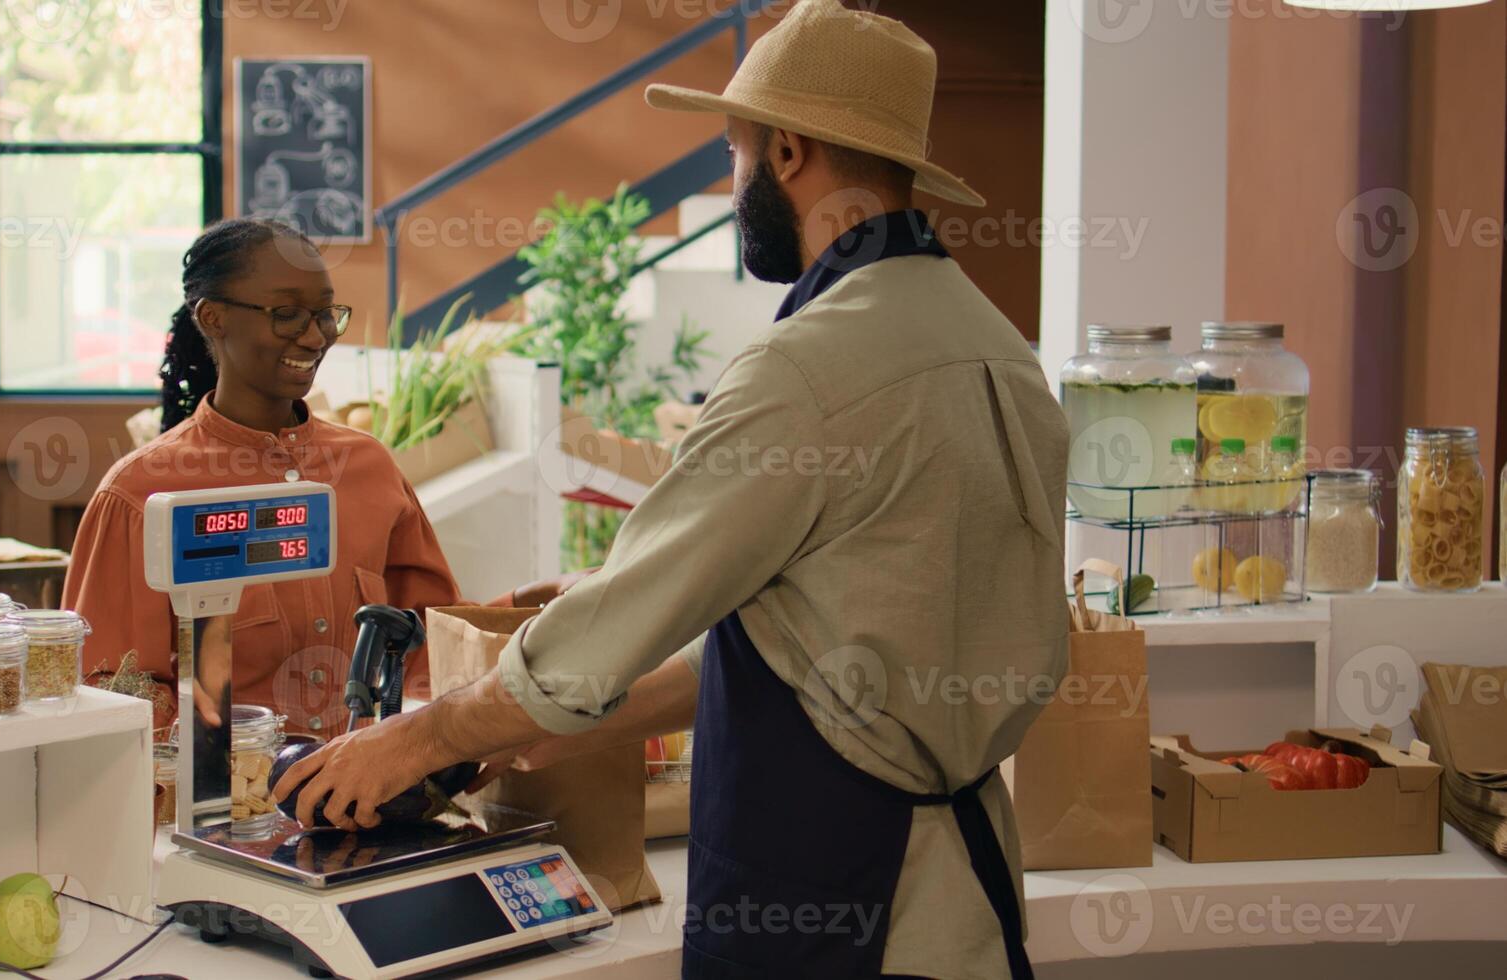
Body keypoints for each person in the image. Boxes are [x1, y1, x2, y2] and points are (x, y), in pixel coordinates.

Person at [272, 3, 1069, 978]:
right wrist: (558, 726)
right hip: (968, 907)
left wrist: (418, 736)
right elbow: (813, 648)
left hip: (830, 906)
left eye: (731, 153)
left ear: (783, 152)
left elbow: (616, 619)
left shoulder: (805, 369)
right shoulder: (999, 350)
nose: (732, 185)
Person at [65, 218, 538, 737]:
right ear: (214, 317)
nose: (315, 337)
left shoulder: (369, 468)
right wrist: (230, 766)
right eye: (287, 314)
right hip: (219, 811)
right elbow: (106, 690)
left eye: (325, 314)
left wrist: (534, 603)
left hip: (357, 802)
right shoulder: (139, 492)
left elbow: (433, 640)